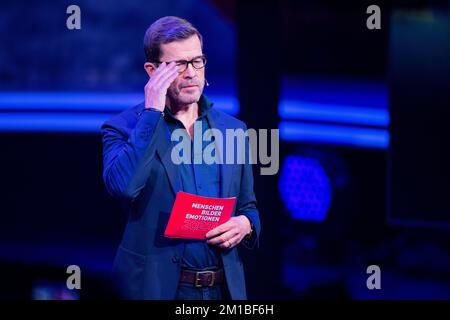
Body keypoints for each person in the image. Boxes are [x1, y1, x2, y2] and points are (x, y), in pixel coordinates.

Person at [101, 16, 260, 300]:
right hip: (158, 289)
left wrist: (246, 225)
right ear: (153, 71)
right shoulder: (123, 127)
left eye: (197, 61)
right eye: (178, 65)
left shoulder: (233, 129)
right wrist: (151, 114)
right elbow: (123, 187)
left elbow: (249, 206)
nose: (191, 73)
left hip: (223, 290)